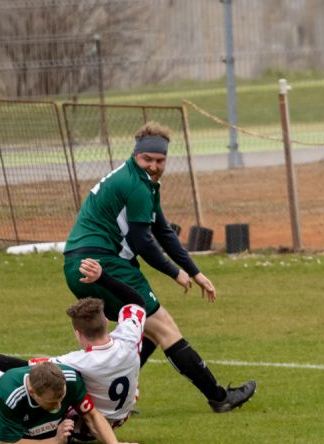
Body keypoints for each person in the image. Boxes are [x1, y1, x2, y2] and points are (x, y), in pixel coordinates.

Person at [63, 121, 256, 413]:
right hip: (102, 263)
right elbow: (141, 240)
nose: (153, 166)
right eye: (147, 159)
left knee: (143, 330)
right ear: (136, 155)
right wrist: (175, 272)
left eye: (160, 160)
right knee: (165, 329)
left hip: (81, 263)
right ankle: (219, 397)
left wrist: (195, 272)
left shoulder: (141, 182)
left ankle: (110, 399)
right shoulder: (135, 184)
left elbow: (163, 231)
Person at [0, 258, 146, 435]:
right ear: (105, 320)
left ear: (78, 335)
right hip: (121, 417)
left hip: (84, 425)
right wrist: (102, 277)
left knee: (30, 380)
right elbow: (137, 301)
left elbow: (24, 366)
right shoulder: (129, 337)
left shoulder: (79, 361)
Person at [0, 360, 144, 444]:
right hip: (10, 406)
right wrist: (55, 441)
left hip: (30, 401)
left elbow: (91, 414)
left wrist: (113, 443)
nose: (60, 405)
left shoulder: (69, 379)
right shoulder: (9, 395)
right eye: (52, 402)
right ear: (33, 394)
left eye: (61, 397)